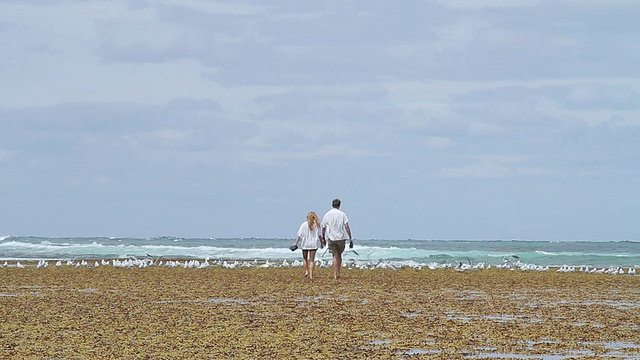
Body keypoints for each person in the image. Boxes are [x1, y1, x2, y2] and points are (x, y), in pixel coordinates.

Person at [321, 198, 353, 279]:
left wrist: (323, 238)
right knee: (339, 255)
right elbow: (346, 226)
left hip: (331, 238)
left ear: (332, 205)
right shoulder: (342, 214)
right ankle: (338, 271)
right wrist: (350, 237)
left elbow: (323, 227)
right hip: (341, 238)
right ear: (339, 205)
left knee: (335, 255)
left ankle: (336, 273)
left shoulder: (327, 214)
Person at [292, 211, 323, 279]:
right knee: (311, 260)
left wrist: (296, 243)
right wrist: (322, 243)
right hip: (313, 244)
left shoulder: (304, 225)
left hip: (305, 244)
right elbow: (320, 236)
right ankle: (311, 275)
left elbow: (299, 235)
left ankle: (306, 271)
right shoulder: (317, 225)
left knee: (305, 258)